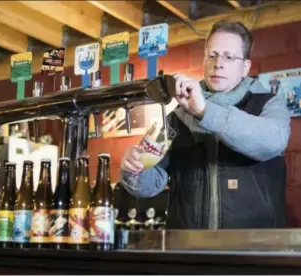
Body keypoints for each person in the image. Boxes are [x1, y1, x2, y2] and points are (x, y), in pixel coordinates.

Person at [119, 20, 291, 229]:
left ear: (245, 67)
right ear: (204, 60)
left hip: (254, 249)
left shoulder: (268, 104)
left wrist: (204, 111)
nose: (218, 63)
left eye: (229, 57)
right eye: (212, 55)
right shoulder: (178, 117)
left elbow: (272, 141)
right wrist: (134, 168)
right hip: (188, 249)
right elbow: (150, 184)